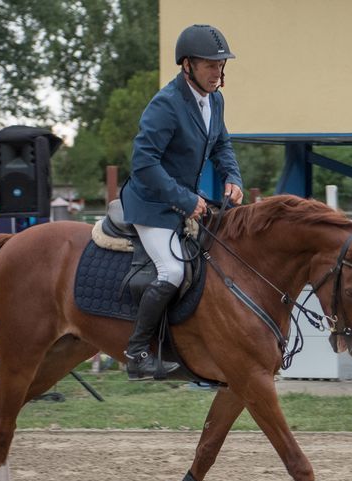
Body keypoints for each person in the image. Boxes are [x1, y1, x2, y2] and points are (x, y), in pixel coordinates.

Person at [120, 24, 244, 380]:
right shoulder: (166, 105)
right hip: (151, 205)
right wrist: (185, 199)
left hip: (185, 200)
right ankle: (137, 353)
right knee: (172, 270)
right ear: (187, 65)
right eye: (210, 65)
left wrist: (233, 177)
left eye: (221, 66)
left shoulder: (215, 99)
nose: (218, 73)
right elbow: (143, 165)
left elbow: (222, 144)